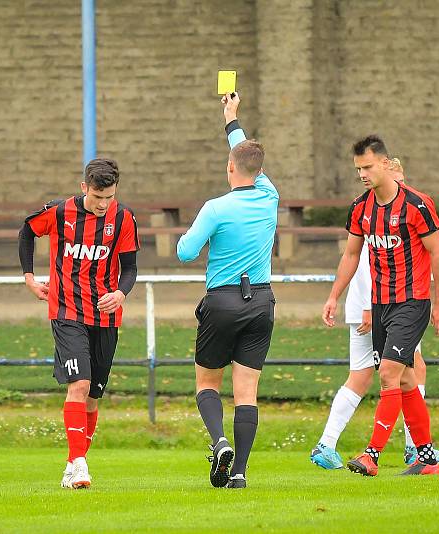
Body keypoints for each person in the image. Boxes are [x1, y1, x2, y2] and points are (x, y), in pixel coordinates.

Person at [311, 157, 439, 469]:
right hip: (374, 308)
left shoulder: (413, 208)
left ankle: (374, 453)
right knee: (393, 377)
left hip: (408, 304)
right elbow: (357, 261)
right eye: (359, 170)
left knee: (396, 374)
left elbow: (436, 252)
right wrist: (350, 302)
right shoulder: (367, 210)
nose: (399, 189)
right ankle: (422, 454)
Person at [177, 93, 279, 489]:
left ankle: (220, 442)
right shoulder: (270, 197)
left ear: (228, 168)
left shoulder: (216, 208)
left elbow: (185, 252)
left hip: (221, 301)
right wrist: (232, 119)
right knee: (247, 391)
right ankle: (239, 474)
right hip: (261, 301)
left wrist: (196, 234)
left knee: (207, 383)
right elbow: (245, 153)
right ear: (259, 170)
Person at [19, 158, 139, 490]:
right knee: (79, 385)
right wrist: (29, 278)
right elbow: (27, 231)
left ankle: (72, 464)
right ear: (84, 187)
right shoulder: (59, 213)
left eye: (109, 197)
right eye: (98, 196)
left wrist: (120, 293)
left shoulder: (124, 218)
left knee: (93, 397)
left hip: (105, 315)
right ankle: (81, 465)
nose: (103, 205)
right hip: (67, 311)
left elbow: (129, 268)